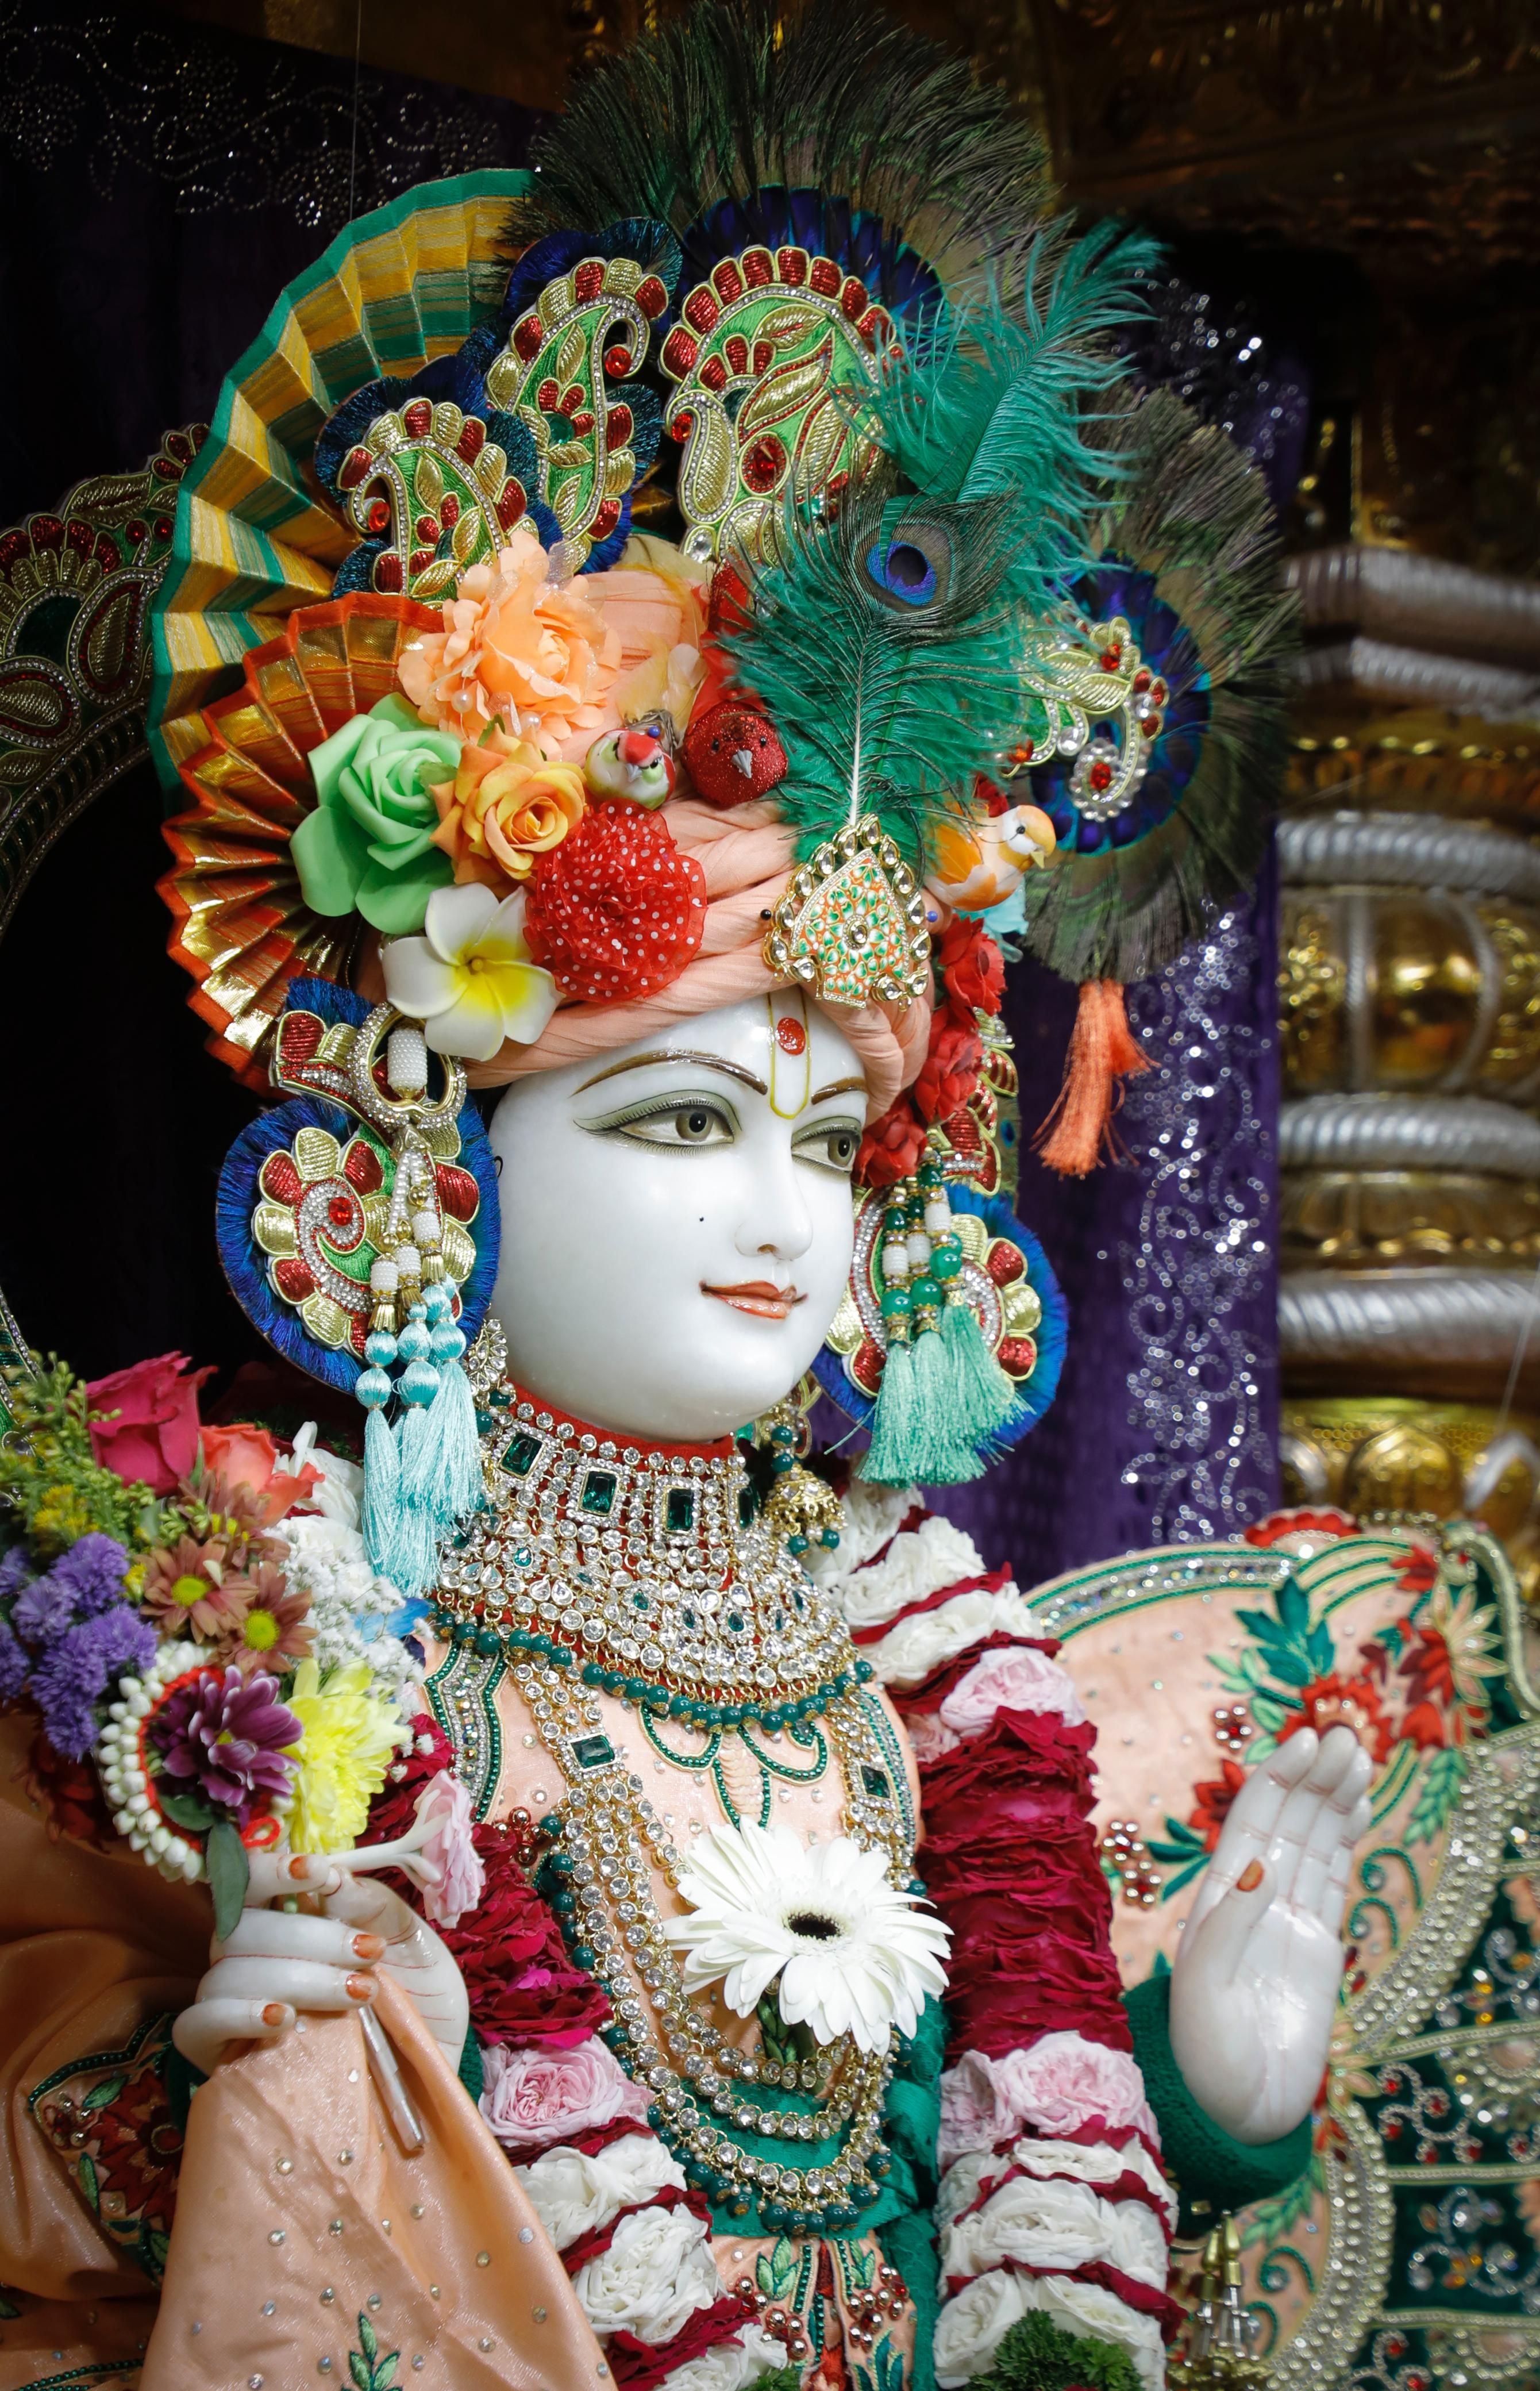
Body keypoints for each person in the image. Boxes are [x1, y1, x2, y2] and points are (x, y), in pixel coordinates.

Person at [0, 8, 1366, 2386]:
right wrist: (231, 2067)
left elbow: (998, 2136)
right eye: (669, 1122)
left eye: (831, 1139)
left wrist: (1207, 2095)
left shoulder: (918, 1646)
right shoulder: (295, 1638)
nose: (784, 1211)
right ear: (431, 1160)